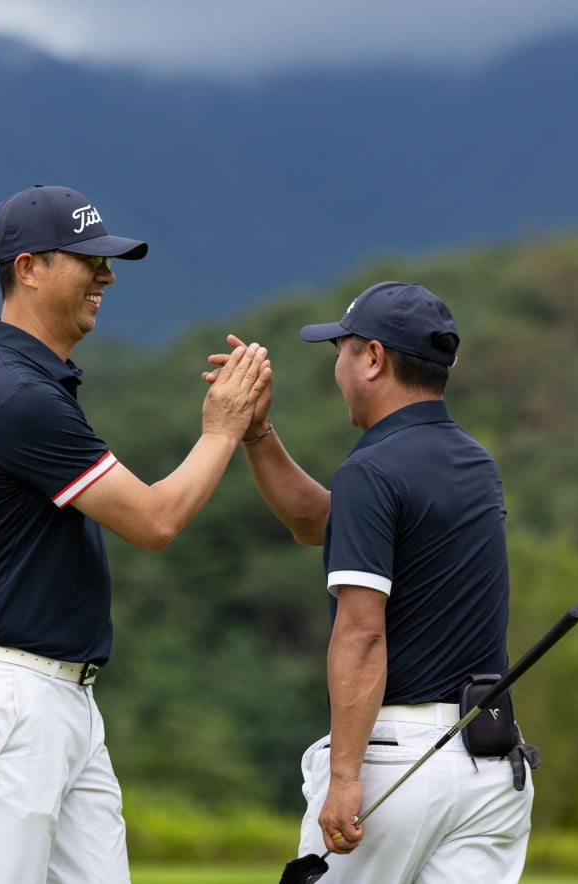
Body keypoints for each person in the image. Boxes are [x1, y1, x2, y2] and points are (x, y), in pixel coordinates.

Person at [0, 184, 270, 884]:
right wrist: (223, 428)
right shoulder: (19, 395)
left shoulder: (33, 383)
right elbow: (155, 520)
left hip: (60, 697)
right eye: (89, 260)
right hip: (11, 697)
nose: (107, 276)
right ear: (29, 269)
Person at [209, 281, 533, 882]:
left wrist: (344, 777)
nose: (338, 367)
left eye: (342, 351)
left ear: (374, 359)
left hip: (394, 763)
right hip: (490, 765)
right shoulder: (473, 462)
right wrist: (257, 431)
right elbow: (319, 524)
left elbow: (361, 634)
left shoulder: (372, 470)